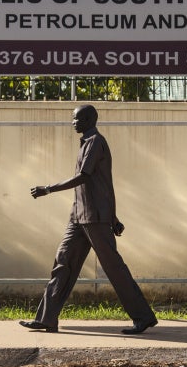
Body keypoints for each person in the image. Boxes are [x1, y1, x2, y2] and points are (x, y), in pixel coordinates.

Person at [19, 104, 158, 335]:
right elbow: (104, 183)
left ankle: (143, 317)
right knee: (63, 262)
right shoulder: (86, 142)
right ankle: (47, 319)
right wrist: (113, 215)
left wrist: (48, 189)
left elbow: (84, 177)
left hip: (94, 217)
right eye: (72, 119)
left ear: (90, 119)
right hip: (78, 217)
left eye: (77, 118)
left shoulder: (95, 142)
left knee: (114, 268)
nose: (73, 122)